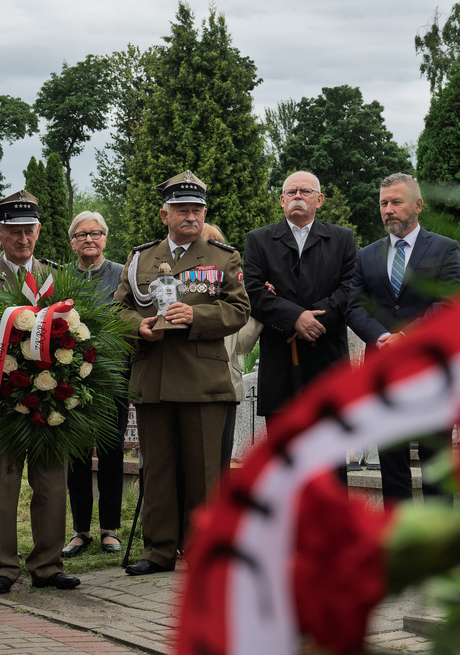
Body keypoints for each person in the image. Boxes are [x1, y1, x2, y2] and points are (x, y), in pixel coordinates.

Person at [114, 171, 250, 576]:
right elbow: (118, 309)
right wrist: (136, 327)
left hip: (202, 379)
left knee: (204, 472)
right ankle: (158, 550)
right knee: (157, 469)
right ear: (165, 215)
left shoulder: (223, 257)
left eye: (197, 210)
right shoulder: (140, 258)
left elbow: (239, 310)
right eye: (181, 210)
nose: (190, 216)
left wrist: (195, 316)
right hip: (153, 376)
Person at [0, 189, 79, 593]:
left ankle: (48, 564)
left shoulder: (57, 274)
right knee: (0, 483)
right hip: (0, 396)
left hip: (50, 396)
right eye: (14, 232)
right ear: (0, 232)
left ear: (39, 231)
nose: (22, 239)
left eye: (29, 231)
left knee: (52, 483)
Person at [346, 173, 460, 503]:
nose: (388, 209)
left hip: (431, 373)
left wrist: (407, 337)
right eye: (383, 203)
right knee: (391, 465)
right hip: (383, 372)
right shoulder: (366, 255)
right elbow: (354, 307)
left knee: (435, 465)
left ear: (418, 205)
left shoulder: (445, 249)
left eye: (396, 202)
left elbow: (448, 305)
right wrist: (383, 336)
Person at [242, 171, 357, 427]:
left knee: (330, 443)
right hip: (280, 360)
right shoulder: (258, 240)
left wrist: (313, 321)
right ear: (282, 200)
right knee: (284, 445)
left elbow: (350, 289)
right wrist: (294, 318)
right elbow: (253, 291)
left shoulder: (343, 239)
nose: (297, 196)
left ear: (320, 200)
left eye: (305, 191)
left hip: (327, 358)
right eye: (291, 192)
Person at [61, 211, 126, 557]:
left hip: (111, 377)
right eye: (82, 234)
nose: (89, 239)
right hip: (71, 378)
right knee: (77, 456)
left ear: (105, 238)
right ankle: (81, 530)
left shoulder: (122, 274)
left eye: (96, 233)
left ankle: (109, 529)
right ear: (72, 242)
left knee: (112, 452)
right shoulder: (62, 277)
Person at [201, 223, 263, 472]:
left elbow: (244, 345)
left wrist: (256, 304)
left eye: (217, 245)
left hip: (225, 387)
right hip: (188, 386)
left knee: (220, 464)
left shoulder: (233, 293)